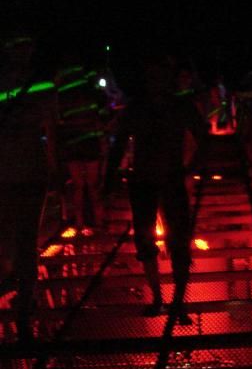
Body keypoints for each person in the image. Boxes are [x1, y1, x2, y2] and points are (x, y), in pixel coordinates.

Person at [104, 55, 207, 323]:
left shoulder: (162, 107)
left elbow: (203, 137)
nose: (156, 81)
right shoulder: (165, 107)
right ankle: (166, 301)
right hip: (153, 180)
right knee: (152, 240)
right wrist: (192, 167)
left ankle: (173, 302)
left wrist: (192, 167)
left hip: (161, 180)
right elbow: (204, 136)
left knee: (172, 241)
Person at [0, 32, 58, 343]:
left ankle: (22, 307)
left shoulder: (36, 84)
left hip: (21, 172)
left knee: (20, 241)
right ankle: (23, 307)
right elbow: (51, 127)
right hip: (24, 171)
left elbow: (50, 127)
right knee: (23, 242)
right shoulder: (43, 84)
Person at [55, 59, 109, 233]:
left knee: (78, 185)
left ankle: (79, 223)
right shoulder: (91, 93)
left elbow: (59, 122)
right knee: (92, 185)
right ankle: (98, 221)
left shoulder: (63, 96)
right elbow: (101, 117)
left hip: (73, 143)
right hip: (89, 142)